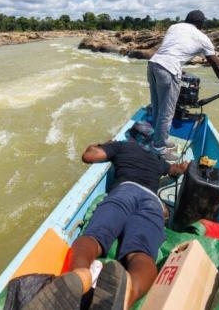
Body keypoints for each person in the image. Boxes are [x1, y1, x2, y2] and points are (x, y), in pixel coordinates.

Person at [25, 126, 189, 310]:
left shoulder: (122, 146)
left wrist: (100, 145)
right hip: (152, 202)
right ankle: (130, 291)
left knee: (94, 237)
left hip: (125, 191)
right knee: (140, 252)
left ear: (131, 138)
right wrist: (184, 167)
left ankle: (80, 276)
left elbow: (89, 156)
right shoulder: (156, 160)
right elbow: (175, 170)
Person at [148, 10, 219, 152]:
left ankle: (158, 139)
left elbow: (173, 48)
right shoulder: (203, 38)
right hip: (168, 69)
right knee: (167, 112)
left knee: (157, 107)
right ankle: (159, 148)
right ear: (201, 23)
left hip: (153, 65)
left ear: (186, 19)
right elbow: (217, 66)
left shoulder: (174, 27)